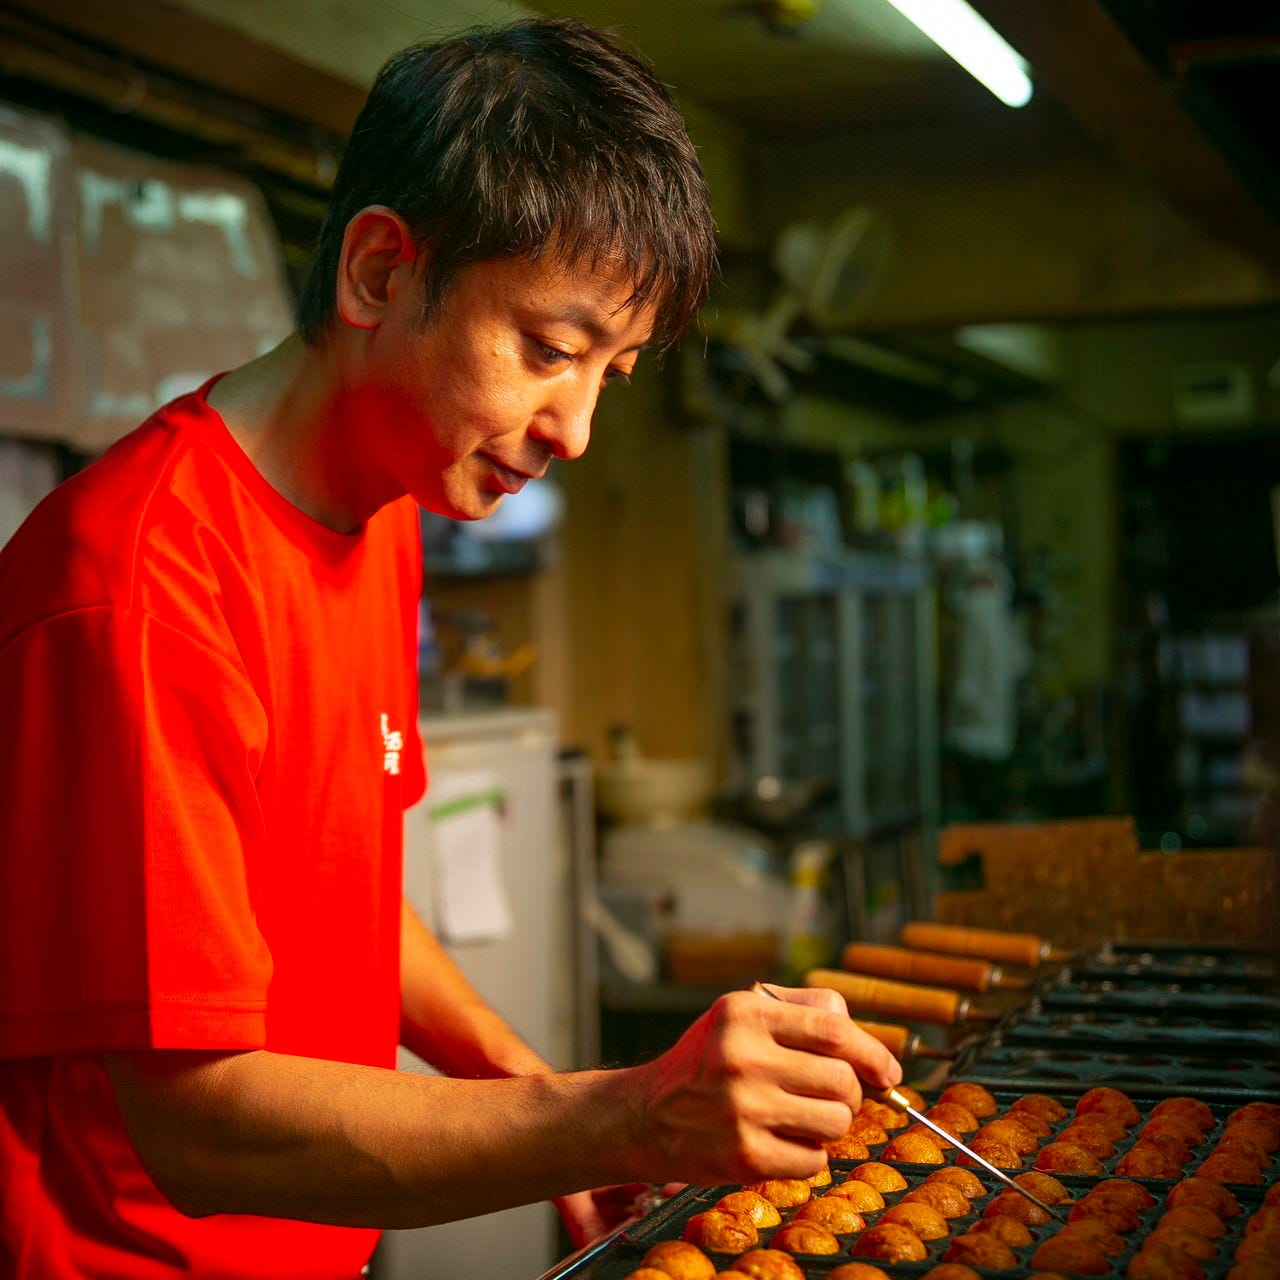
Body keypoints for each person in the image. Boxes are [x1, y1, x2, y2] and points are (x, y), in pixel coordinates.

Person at [0, 17, 899, 1279]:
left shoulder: (390, 501)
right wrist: (629, 1109)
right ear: (378, 271)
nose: (573, 428)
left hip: (315, 1243)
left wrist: (532, 1078)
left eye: (612, 372)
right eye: (548, 349)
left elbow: (339, 885)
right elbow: (197, 1125)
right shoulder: (150, 582)